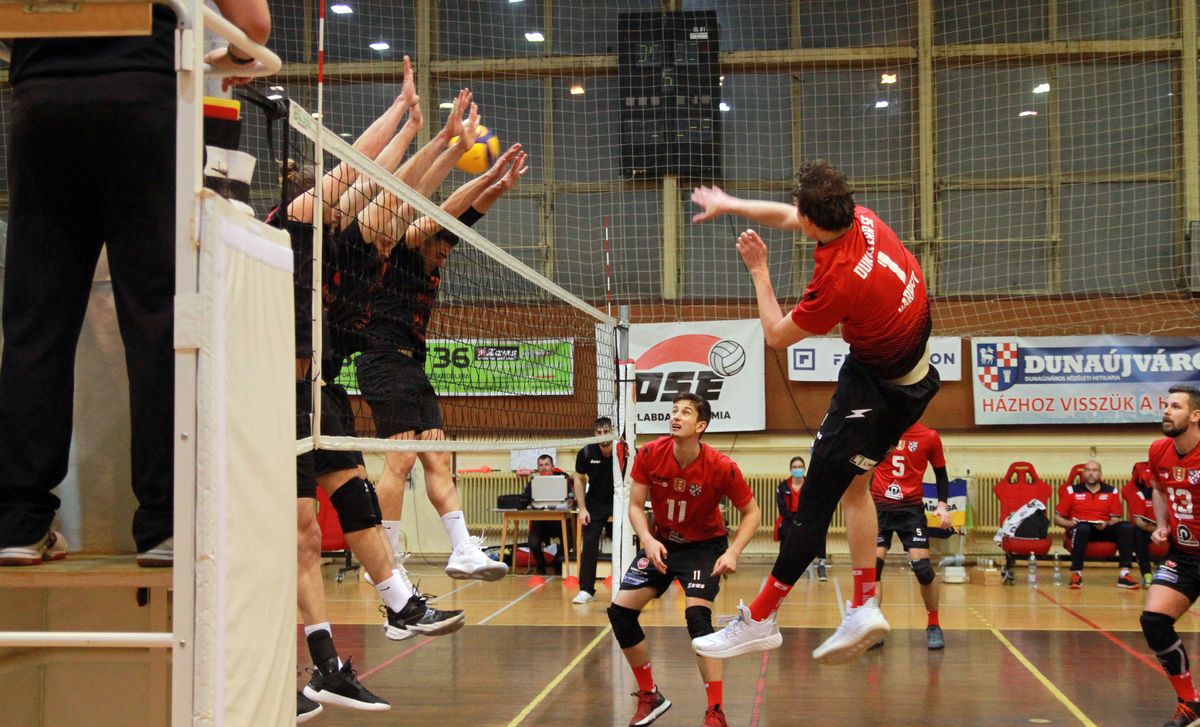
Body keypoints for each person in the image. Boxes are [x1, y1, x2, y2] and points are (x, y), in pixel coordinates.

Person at [0, 1, 271, 568]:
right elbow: (254, 24)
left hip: (40, 98)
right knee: (159, 321)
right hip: (143, 95)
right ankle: (165, 524)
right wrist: (231, 55)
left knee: (35, 324)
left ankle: (19, 522)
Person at [272, 62, 466, 718]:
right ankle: (324, 664)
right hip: (275, 394)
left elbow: (399, 195)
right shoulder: (291, 226)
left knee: (355, 501)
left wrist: (440, 141)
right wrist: (404, 120)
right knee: (303, 531)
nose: (357, 208)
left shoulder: (349, 250)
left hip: (320, 391)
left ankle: (399, 605)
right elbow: (356, 168)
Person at [689, 160, 939, 665]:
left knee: (813, 505)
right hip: (911, 376)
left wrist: (759, 271)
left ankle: (761, 620)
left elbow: (777, 336)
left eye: (798, 211)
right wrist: (730, 204)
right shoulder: (863, 219)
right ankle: (864, 605)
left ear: (810, 219)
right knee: (856, 489)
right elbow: (791, 217)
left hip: (876, 391)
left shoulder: (839, 279)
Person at [355, 124, 529, 582]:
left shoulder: (437, 250)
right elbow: (448, 211)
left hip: (412, 364)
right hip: (380, 358)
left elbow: (467, 216)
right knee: (400, 460)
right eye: (441, 249)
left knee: (438, 457)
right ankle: (385, 554)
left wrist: (500, 185)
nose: (444, 257)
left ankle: (462, 549)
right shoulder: (406, 248)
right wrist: (486, 172)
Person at [607, 393, 760, 727]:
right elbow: (635, 506)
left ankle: (715, 711)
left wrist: (732, 551)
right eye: (674, 410)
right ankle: (650, 695)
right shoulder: (650, 453)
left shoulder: (721, 466)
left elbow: (752, 512)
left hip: (704, 548)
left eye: (685, 412)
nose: (676, 416)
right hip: (662, 543)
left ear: (700, 425)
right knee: (620, 612)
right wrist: (647, 539)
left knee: (697, 619)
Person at [1138, 384, 1200, 727]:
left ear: (1195, 415)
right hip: (1184, 555)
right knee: (1154, 621)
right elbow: (1159, 490)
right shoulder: (1159, 450)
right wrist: (1162, 525)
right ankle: (1189, 702)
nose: (1166, 411)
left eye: (1175, 406)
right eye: (1166, 405)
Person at [870, 421, 951, 650]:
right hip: (880, 508)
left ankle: (933, 624)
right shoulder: (880, 429)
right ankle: (873, 626)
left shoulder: (929, 436)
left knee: (923, 569)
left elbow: (941, 475)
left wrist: (942, 506)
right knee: (872, 568)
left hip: (911, 510)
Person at [1053, 459, 1139, 590]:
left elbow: (1115, 518)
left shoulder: (1111, 491)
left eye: (1094, 470)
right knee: (1082, 528)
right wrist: (1070, 523)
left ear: (1100, 473)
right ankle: (1076, 574)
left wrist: (1107, 523)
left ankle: (1124, 575)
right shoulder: (1071, 491)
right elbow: (1057, 518)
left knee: (1126, 527)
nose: (1091, 473)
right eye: (1087, 470)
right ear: (1083, 474)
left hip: (1103, 528)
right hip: (1081, 528)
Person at [572, 416, 626, 604]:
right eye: (599, 432)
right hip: (594, 503)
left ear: (613, 432)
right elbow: (578, 479)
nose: (603, 435)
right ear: (595, 434)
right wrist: (582, 509)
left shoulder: (624, 451)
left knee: (626, 543)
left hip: (619, 502)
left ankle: (628, 587)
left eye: (606, 431)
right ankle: (586, 590)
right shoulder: (586, 452)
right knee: (589, 544)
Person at [775, 455, 827, 581]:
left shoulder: (811, 485)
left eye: (799, 467)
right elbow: (782, 508)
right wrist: (794, 520)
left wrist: (804, 519)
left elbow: (815, 504)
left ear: (804, 468)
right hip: (790, 518)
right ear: (790, 469)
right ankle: (783, 566)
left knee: (819, 530)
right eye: (794, 467)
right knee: (786, 531)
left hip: (807, 517)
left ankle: (821, 564)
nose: (797, 469)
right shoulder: (782, 486)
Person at [523, 454, 571, 575]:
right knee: (533, 541)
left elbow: (571, 499)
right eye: (541, 465)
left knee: (569, 539)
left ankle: (558, 561)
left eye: (546, 464)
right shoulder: (533, 482)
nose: (544, 468)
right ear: (538, 468)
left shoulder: (563, 481)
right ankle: (541, 563)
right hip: (540, 521)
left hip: (559, 521)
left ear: (552, 467)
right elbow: (525, 500)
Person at [1124, 460, 1158, 587]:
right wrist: (1157, 529)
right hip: (1149, 529)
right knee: (1138, 534)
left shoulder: (1171, 494)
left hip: (1170, 530)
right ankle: (1147, 574)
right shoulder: (1141, 495)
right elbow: (1139, 521)